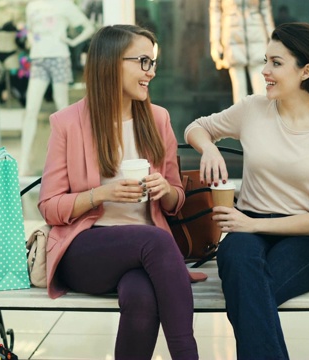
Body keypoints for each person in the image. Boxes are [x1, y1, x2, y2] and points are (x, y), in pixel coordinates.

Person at [185, 22, 309, 359]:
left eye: (276, 63)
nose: (264, 71)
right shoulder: (252, 109)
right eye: (266, 61)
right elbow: (196, 128)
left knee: (247, 291)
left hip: (306, 240)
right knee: (242, 269)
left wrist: (253, 225)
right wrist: (211, 148)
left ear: (306, 70)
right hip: (246, 228)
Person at [38, 24, 199, 360]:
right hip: (85, 249)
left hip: (144, 255)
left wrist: (165, 188)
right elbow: (50, 207)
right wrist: (101, 194)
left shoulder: (158, 119)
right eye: (143, 61)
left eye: (153, 63)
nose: (151, 72)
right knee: (153, 240)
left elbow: (176, 201)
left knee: (142, 297)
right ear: (111, 63)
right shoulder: (67, 122)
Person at [20, 0, 95, 175]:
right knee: (31, 109)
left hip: (59, 57)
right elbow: (29, 30)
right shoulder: (32, 6)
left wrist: (72, 41)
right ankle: (23, 163)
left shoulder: (65, 5)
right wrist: (32, 40)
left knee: (62, 109)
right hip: (38, 59)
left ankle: (72, 162)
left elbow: (89, 27)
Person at [209, 0, 274, 104]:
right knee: (239, 90)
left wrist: (272, 39)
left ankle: (263, 119)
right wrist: (215, 42)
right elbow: (215, 11)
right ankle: (241, 119)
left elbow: (265, 10)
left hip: (257, 33)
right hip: (232, 35)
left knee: (261, 89)